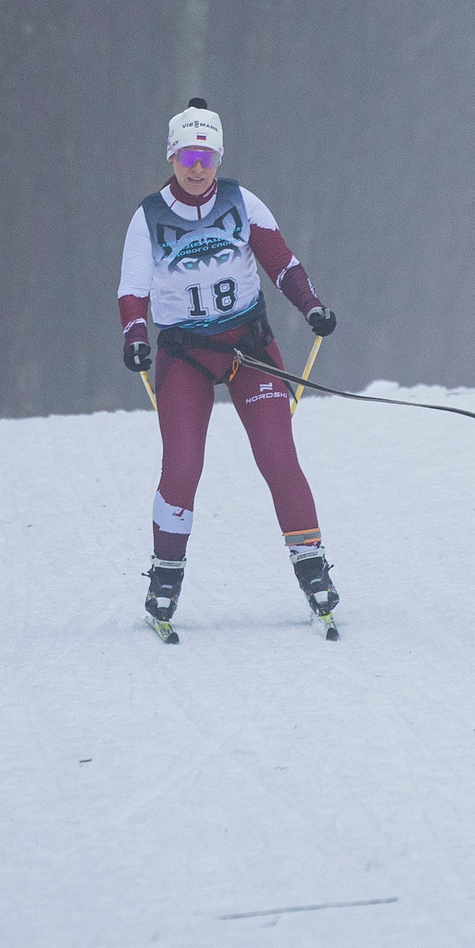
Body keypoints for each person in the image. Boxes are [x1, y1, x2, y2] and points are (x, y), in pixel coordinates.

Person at [117, 98, 341, 637]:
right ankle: (165, 577)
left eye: (208, 155)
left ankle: (313, 569)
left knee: (277, 455)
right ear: (172, 156)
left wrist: (311, 305)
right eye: (189, 154)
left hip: (250, 346)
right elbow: (132, 289)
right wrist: (135, 338)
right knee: (184, 464)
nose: (198, 167)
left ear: (219, 157)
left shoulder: (243, 202)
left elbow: (281, 263)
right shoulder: (148, 217)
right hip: (186, 355)